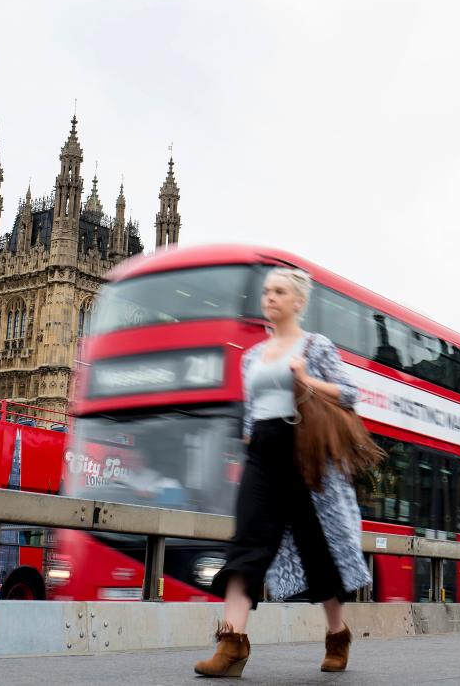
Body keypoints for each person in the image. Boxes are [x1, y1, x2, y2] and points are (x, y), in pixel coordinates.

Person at [194, 267, 369, 678]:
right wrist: (250, 445)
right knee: (246, 543)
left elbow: (349, 393)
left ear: (298, 302)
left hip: (304, 451)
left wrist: (306, 380)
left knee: (317, 548)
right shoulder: (252, 356)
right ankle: (232, 643)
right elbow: (252, 414)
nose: (269, 297)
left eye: (279, 292)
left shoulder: (316, 346)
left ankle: (336, 634)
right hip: (262, 455)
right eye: (267, 291)